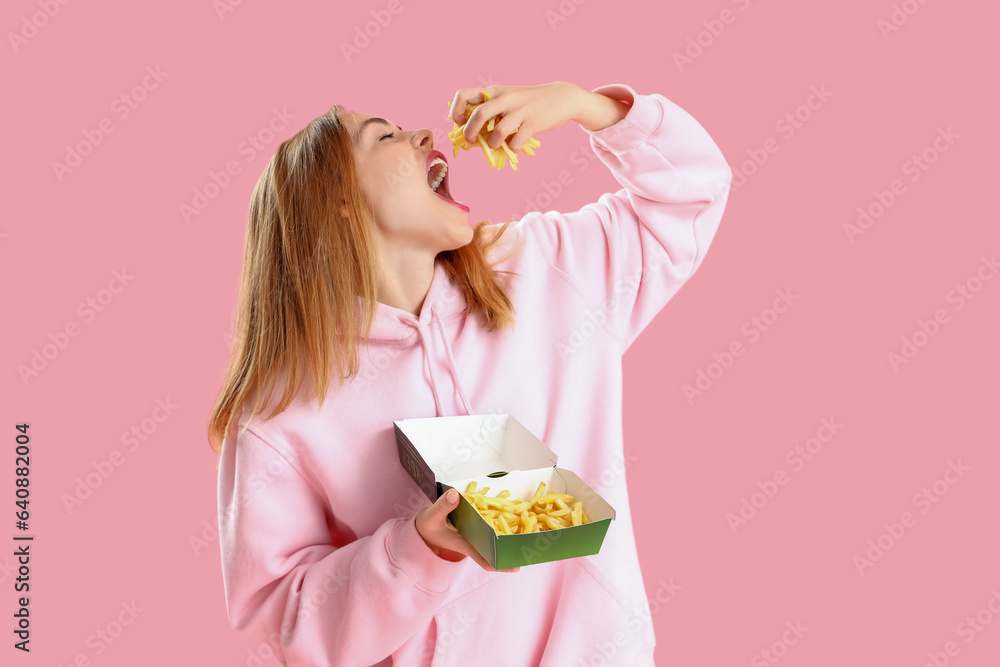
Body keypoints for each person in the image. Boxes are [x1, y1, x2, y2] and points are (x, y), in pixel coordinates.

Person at [208, 80, 732, 666]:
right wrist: (416, 549)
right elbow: (280, 624)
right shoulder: (280, 412)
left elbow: (694, 193)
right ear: (339, 201)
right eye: (383, 135)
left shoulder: (544, 270)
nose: (425, 135)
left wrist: (584, 106)